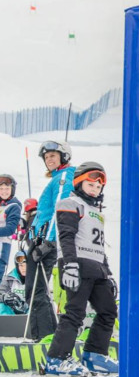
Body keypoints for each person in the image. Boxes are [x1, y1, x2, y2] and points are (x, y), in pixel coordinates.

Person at [44, 162, 118, 376]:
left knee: (108, 311)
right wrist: (70, 265)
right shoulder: (70, 203)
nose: (95, 189)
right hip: (77, 264)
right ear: (78, 183)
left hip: (97, 268)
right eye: (90, 184)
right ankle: (56, 359)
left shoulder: (96, 211)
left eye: (98, 186)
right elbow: (66, 237)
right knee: (75, 312)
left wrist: (108, 272)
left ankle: (95, 354)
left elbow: (99, 245)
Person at [26, 141, 75, 341]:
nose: (49, 160)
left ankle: (45, 338)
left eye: (53, 156)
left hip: (46, 243)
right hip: (41, 240)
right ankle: (51, 337)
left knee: (35, 290)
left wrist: (48, 242)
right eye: (46, 158)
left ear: (63, 156)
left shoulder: (64, 176)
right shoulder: (57, 178)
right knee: (37, 289)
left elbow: (59, 210)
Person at [0, 174, 22, 278]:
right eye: (1, 189)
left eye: (7, 188)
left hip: (2, 245)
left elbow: (10, 229)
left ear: (12, 189)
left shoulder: (14, 206)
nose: (4, 191)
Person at [0, 251, 28, 315]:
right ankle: (6, 323)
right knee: (1, 305)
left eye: (26, 266)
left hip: (29, 312)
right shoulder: (8, 279)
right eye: (21, 265)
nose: (24, 268)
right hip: (12, 312)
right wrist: (4, 298)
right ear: (17, 266)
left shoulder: (36, 279)